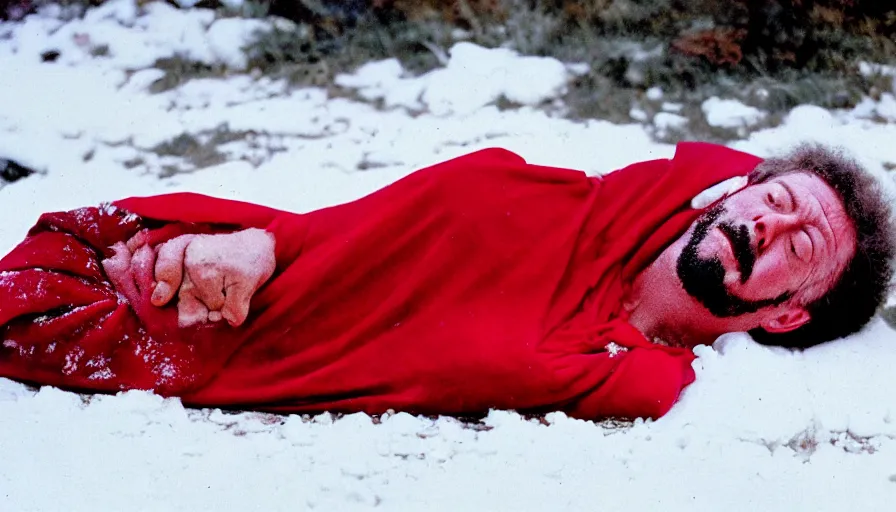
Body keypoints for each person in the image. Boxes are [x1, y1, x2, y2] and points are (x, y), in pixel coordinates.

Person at [0, 142, 892, 420]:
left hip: (241, 346)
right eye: (773, 199)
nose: (769, 224)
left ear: (786, 315)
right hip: (270, 255)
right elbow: (735, 168)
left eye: (798, 245)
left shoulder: (649, 376)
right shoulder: (641, 197)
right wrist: (263, 242)